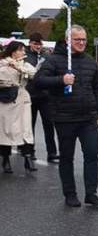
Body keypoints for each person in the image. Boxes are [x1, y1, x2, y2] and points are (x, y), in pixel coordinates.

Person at [33, 24, 98, 208]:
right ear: (68, 40)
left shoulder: (90, 61)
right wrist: (61, 80)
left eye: (84, 40)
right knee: (66, 157)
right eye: (77, 40)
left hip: (88, 117)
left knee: (91, 153)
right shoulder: (54, 60)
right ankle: (70, 193)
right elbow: (38, 81)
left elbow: (97, 87)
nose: (81, 43)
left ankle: (91, 193)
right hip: (65, 117)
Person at [0, 41, 39, 174]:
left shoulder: (24, 64)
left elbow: (34, 74)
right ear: (13, 51)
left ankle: (27, 159)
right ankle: (5, 159)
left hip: (22, 99)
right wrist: (6, 66)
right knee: (6, 130)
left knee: (26, 129)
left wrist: (19, 68)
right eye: (21, 50)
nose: (24, 52)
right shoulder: (2, 63)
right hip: (6, 100)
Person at [24, 32, 59, 162]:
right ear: (30, 43)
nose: (38, 46)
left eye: (40, 44)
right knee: (30, 124)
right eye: (35, 44)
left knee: (49, 124)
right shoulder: (24, 56)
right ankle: (30, 151)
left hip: (44, 95)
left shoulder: (46, 56)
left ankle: (52, 152)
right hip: (30, 94)